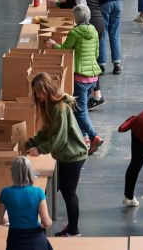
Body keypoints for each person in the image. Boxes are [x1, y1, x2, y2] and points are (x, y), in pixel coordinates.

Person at [26, 73, 88, 238]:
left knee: (69, 193)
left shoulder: (58, 108)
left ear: (45, 89)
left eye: (38, 92)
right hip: (65, 156)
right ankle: (72, 227)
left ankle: (74, 231)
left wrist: (40, 149)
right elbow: (47, 132)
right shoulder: (50, 106)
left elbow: (59, 139)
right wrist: (30, 143)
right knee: (66, 190)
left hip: (73, 156)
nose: (37, 96)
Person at [46, 4, 103, 155]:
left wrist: (53, 45)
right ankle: (85, 139)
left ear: (76, 18)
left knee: (80, 111)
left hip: (80, 78)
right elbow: (97, 53)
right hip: (93, 78)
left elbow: (65, 49)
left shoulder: (75, 32)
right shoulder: (94, 31)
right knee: (81, 109)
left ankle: (93, 136)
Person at [55, 0, 106, 111]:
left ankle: (95, 96)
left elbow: (70, 4)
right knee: (92, 58)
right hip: (99, 20)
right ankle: (96, 95)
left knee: (88, 59)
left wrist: (57, 4)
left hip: (90, 20)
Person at [0, 156, 53, 250]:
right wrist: (47, 223)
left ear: (12, 173)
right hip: (36, 241)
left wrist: (5, 219)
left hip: (15, 241)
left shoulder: (5, 192)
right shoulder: (38, 192)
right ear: (30, 173)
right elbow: (46, 222)